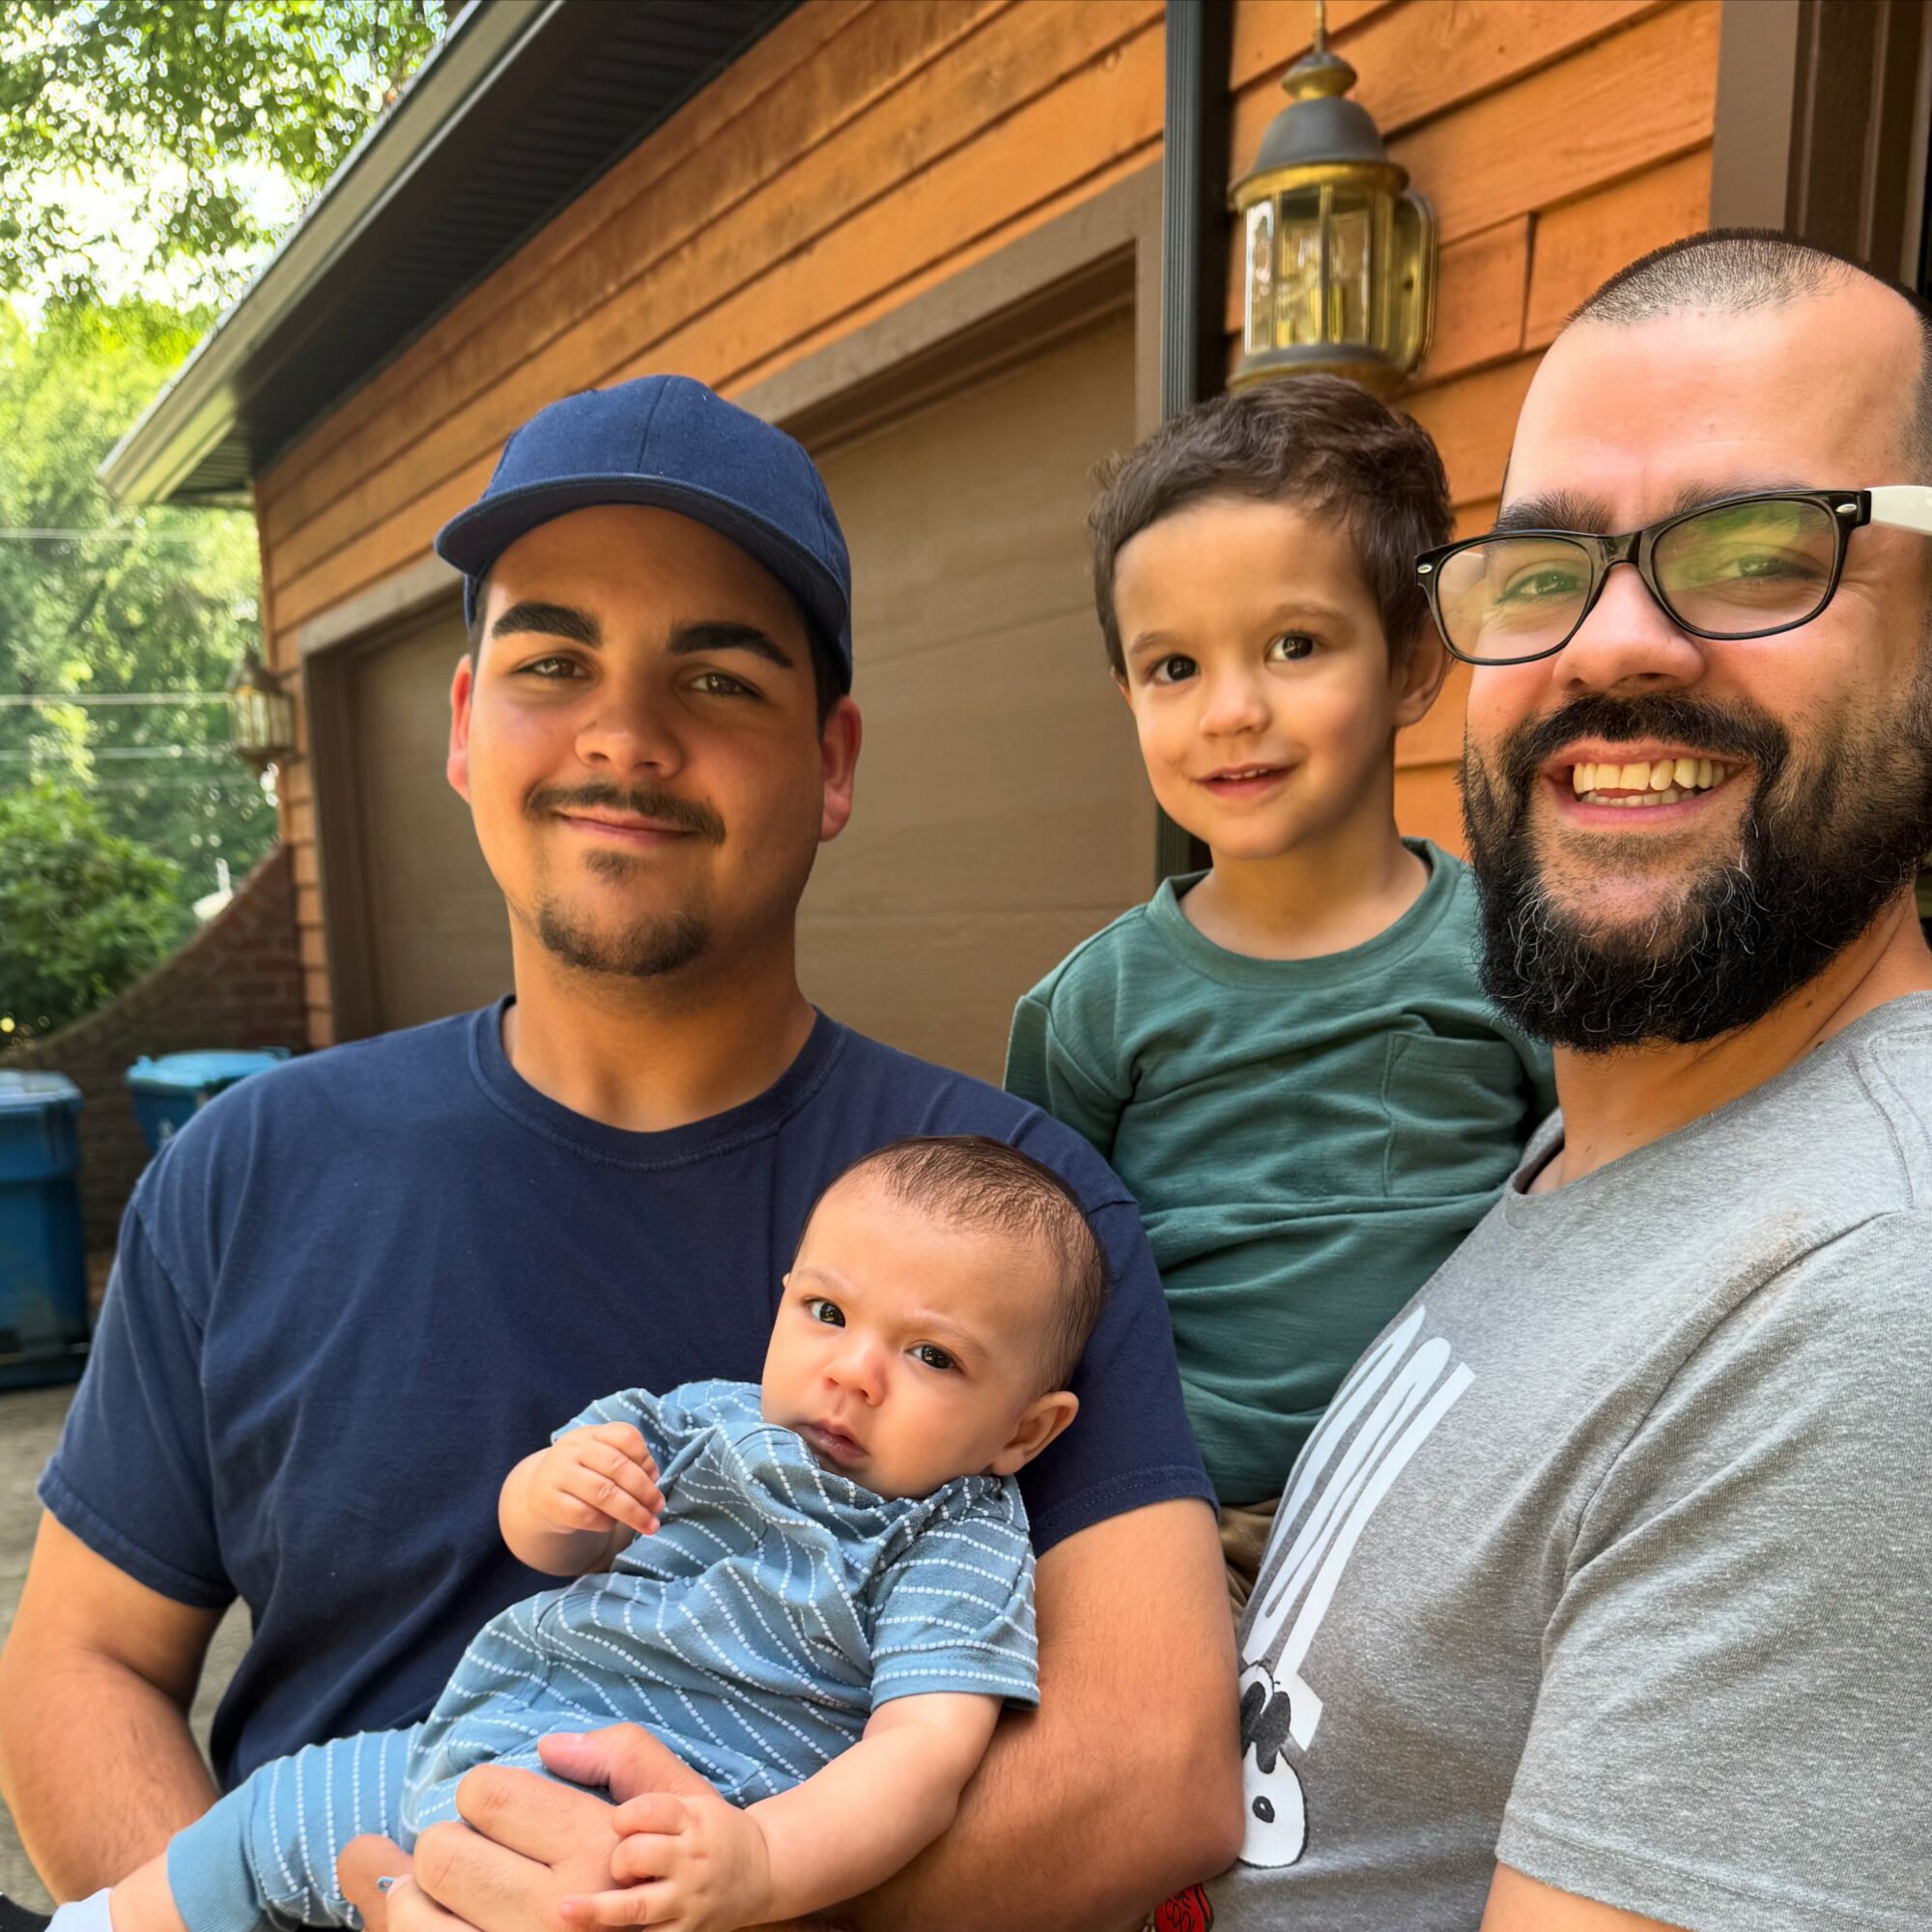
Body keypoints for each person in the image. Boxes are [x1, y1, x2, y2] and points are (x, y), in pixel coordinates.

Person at [0, 376, 1240, 1932]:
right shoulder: (246, 1170)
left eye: (717, 680)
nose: (623, 737)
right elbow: (81, 1662)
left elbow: (1155, 1765)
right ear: (464, 727)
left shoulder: (1015, 1218)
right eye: (551, 660)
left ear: (834, 760)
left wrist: (661, 1914)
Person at [1189, 230, 1932, 1932]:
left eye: (1758, 555)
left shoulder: (1868, 1303)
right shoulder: (1619, 1144)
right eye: (1538, 573)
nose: (1614, 647)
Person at [45, 1137, 1102, 1932]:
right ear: (782, 1300)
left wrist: (762, 1863)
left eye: (931, 1355)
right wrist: (553, 1494)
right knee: (271, 1812)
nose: (851, 1369)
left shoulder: (951, 1534)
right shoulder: (701, 1416)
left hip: (645, 1816)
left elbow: (919, 1756)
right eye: (826, 1312)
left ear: (1023, 1428)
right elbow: (551, 1544)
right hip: (470, 1736)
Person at [1005, 378, 1553, 1606]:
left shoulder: (1509, 956)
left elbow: (1586, 1218)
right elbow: (1037, 1283)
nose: (1231, 709)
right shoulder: (1090, 1008)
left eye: (1293, 645)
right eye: (1173, 666)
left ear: (1413, 659)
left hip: (1446, 1505)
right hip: (1170, 1515)